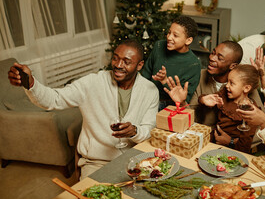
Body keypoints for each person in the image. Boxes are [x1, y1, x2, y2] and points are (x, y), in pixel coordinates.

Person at [8, 39, 159, 179]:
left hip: (133, 158)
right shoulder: (92, 82)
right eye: (115, 58)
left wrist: (135, 131)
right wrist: (31, 84)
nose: (118, 65)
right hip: (96, 162)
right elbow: (54, 99)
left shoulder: (150, 90)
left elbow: (148, 131)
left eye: (126, 62)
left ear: (139, 65)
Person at [165, 64, 260, 153]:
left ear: (246, 88)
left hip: (231, 152)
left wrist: (230, 141)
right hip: (212, 144)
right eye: (228, 81)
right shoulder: (224, 94)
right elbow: (208, 98)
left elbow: (245, 145)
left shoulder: (251, 111)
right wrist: (203, 99)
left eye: (232, 83)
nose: (227, 85)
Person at [141, 15, 201, 110]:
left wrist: (165, 81)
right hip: (147, 98)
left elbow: (184, 100)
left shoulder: (194, 64)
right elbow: (145, 75)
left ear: (188, 40)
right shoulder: (159, 46)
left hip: (170, 106)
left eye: (175, 35)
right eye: (169, 33)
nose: (169, 37)